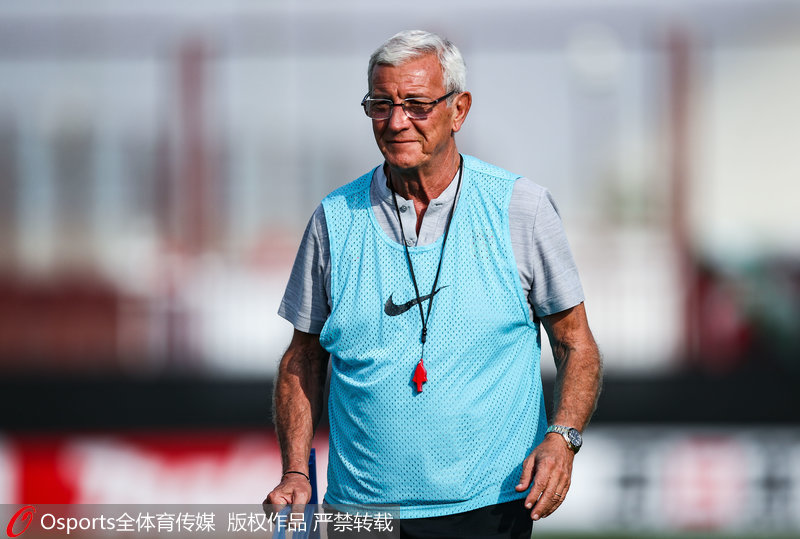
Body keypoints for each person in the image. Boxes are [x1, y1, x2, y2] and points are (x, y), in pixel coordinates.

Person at [265, 30, 602, 538]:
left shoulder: (521, 209)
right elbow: (302, 357)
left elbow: (577, 345)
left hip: (490, 507)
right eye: (381, 105)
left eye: (416, 105)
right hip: (358, 512)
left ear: (458, 110)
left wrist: (563, 437)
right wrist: (296, 471)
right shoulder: (333, 219)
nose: (397, 121)